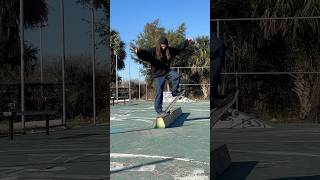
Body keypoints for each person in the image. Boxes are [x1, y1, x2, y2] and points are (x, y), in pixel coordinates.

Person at [134, 36, 192, 116]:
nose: (163, 46)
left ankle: (174, 92)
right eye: (162, 45)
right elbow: (146, 54)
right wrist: (139, 52)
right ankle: (159, 110)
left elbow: (179, 48)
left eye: (165, 45)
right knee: (159, 92)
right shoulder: (153, 51)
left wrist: (187, 42)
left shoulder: (169, 50)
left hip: (166, 71)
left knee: (176, 76)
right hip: (158, 74)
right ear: (159, 45)